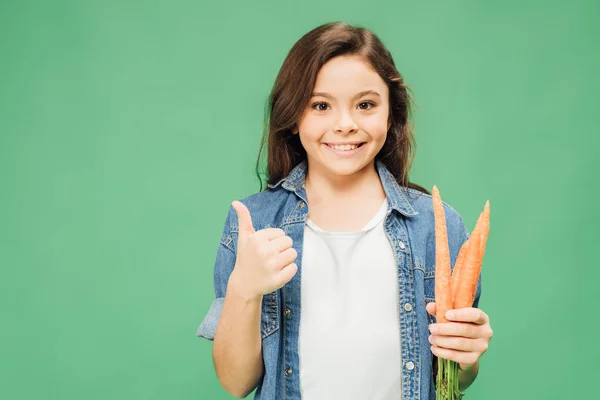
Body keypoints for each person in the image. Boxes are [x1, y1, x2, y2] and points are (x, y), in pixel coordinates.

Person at [196, 21, 493, 400]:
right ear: (293, 116)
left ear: (390, 112)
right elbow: (236, 383)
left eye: (366, 105)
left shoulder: (436, 226)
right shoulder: (255, 224)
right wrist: (243, 289)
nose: (345, 125)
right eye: (321, 105)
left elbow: (452, 378)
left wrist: (466, 358)